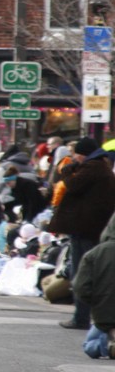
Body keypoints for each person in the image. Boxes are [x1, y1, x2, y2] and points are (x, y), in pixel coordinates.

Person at [48, 137, 115, 330]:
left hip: (85, 228)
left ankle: (81, 317)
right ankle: (83, 316)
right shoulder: (100, 166)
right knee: (83, 270)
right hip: (89, 227)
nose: (73, 157)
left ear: (82, 153)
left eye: (76, 153)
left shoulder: (93, 167)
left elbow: (73, 185)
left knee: (82, 272)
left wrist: (68, 170)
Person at [73, 211, 115, 359]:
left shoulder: (94, 254)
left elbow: (81, 288)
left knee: (89, 346)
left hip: (105, 315)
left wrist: (97, 303)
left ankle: (108, 343)